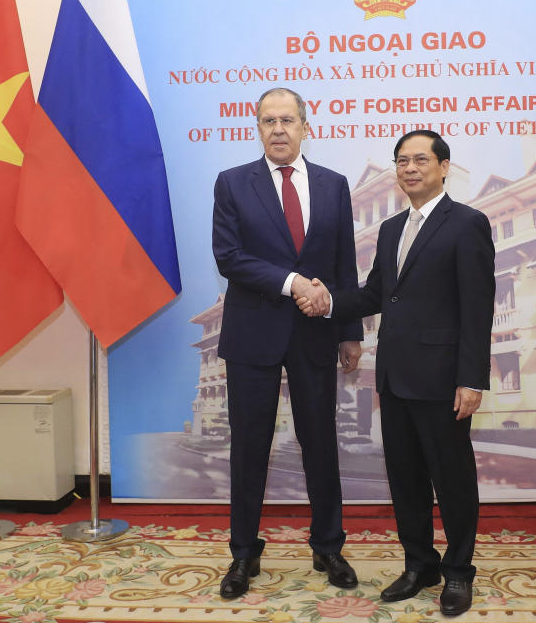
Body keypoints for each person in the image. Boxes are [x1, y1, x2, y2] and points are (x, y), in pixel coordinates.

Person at [298, 130, 495, 617]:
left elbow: (477, 308)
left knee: (452, 482)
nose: (409, 168)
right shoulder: (390, 229)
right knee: (405, 480)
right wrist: (326, 302)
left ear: (444, 167)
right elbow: (373, 296)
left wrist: (472, 379)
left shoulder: (468, 224)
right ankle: (419, 565)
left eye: (420, 159)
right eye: (401, 160)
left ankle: (457, 573)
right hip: (395, 377)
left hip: (445, 380)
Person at [212, 87, 363, 599]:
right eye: (267, 121)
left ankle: (328, 546)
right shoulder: (233, 184)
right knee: (249, 446)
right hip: (254, 333)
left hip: (316, 335)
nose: (278, 129)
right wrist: (292, 282)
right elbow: (229, 258)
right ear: (257, 127)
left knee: (320, 443)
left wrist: (349, 330)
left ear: (305, 125)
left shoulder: (334, 185)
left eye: (287, 120)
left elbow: (344, 261)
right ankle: (242, 554)